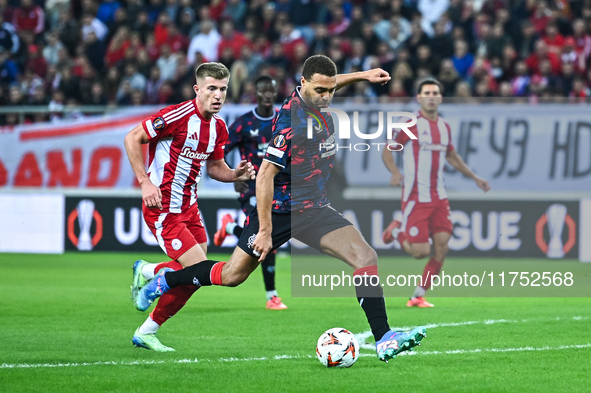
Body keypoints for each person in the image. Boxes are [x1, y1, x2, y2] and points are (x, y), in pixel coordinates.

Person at [133, 55, 427, 363]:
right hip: (279, 210)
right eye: (320, 91)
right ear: (303, 85)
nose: (326, 96)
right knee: (232, 275)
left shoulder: (316, 92)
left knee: (365, 257)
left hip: (313, 208)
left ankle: (384, 338)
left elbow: (328, 80)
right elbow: (264, 176)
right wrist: (264, 230)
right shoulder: (291, 123)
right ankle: (166, 280)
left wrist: (364, 75)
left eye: (330, 90)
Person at [124, 62, 255, 351]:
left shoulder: (219, 127)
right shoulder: (177, 115)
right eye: (211, 88)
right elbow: (133, 137)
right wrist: (145, 182)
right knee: (199, 269)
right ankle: (151, 279)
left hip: (190, 208)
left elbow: (216, 166)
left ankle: (147, 313)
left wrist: (236, 174)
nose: (218, 95)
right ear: (197, 89)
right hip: (163, 208)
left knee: (195, 277)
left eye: (223, 89)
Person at [381, 77, 491, 308]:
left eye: (435, 93)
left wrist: (475, 178)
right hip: (415, 196)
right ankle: (398, 229)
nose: (431, 97)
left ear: (440, 98)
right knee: (420, 252)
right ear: (419, 98)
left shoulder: (444, 126)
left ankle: (418, 295)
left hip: (439, 196)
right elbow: (387, 151)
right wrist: (394, 172)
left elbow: (452, 156)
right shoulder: (410, 124)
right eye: (426, 93)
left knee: (442, 246)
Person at [212, 75, 287, 310]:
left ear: (275, 93)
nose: (267, 95)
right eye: (263, 91)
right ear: (256, 92)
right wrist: (234, 175)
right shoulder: (244, 123)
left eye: (271, 91)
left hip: (278, 188)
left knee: (259, 236)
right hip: (252, 186)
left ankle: (228, 228)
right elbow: (220, 150)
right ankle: (272, 295)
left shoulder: (283, 121)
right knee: (267, 236)